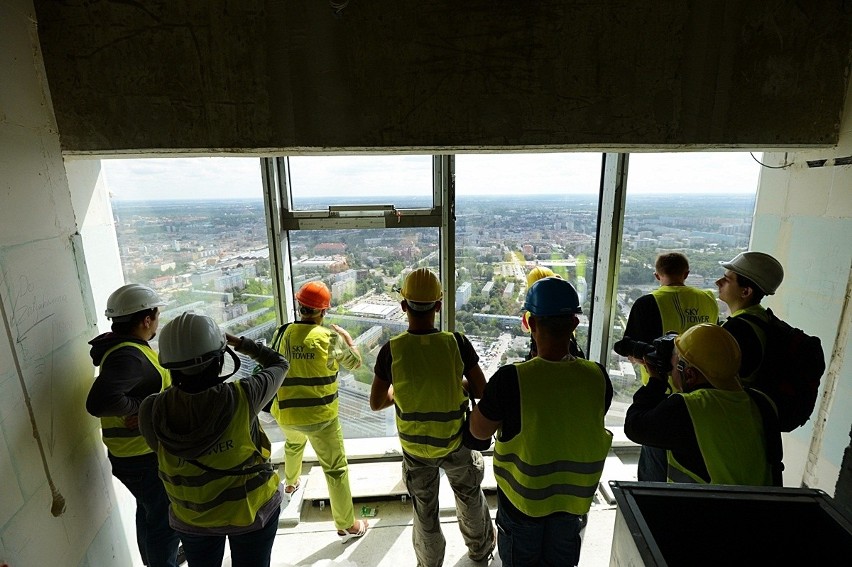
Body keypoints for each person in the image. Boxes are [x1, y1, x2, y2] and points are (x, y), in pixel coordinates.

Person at [470, 277, 613, 567]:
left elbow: (478, 431)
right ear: (574, 324)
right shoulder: (598, 377)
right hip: (572, 505)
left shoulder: (512, 379)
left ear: (530, 323)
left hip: (524, 503)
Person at [138, 313, 289, 567]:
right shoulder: (243, 396)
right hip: (250, 511)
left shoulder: (151, 409)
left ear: (169, 364)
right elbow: (280, 363)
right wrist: (240, 343)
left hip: (192, 517)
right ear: (219, 359)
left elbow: (160, 448)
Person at [370, 268, 495, 566]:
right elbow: (482, 389)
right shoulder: (456, 343)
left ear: (403, 307)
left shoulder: (392, 350)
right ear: (438, 305)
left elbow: (376, 402)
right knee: (469, 497)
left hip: (415, 450)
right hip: (455, 442)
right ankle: (480, 551)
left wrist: (401, 392)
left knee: (424, 511)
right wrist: (457, 384)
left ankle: (429, 563)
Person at [86, 283, 181, 567]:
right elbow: (99, 402)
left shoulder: (129, 349)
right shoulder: (129, 355)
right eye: (157, 315)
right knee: (163, 519)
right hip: (141, 456)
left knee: (151, 512)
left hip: (135, 454)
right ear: (146, 319)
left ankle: (160, 560)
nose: (157, 321)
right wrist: (142, 409)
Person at [268, 281, 367, 540]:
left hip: (286, 413)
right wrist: (349, 340)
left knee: (293, 444)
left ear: (299, 307)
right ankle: (346, 525)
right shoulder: (329, 338)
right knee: (335, 470)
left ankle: (290, 483)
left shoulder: (281, 333)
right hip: (322, 419)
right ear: (323, 311)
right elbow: (356, 364)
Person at [623, 323, 782, 486]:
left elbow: (634, 426)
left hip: (706, 508)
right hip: (764, 508)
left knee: (654, 441)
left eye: (672, 366)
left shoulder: (690, 406)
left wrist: (656, 381)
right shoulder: (762, 402)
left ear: (690, 375)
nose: (670, 371)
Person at [613, 252, 718, 482]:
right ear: (687, 274)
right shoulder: (708, 299)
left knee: (656, 459)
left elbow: (626, 346)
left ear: (656, 275)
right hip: (705, 393)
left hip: (662, 394)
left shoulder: (647, 303)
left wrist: (643, 356)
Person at [715, 251, 785, 385]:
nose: (718, 282)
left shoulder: (737, 329)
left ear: (745, 291)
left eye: (727, 280)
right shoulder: (763, 317)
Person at [521, 266, 584, 360]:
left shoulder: (515, 373)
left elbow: (524, 328)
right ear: (574, 322)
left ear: (532, 323)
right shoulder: (596, 371)